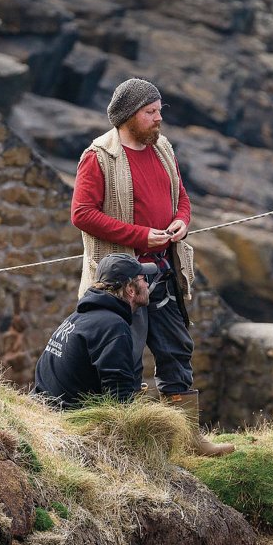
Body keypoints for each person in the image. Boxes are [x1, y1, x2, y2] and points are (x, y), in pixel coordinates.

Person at [71, 78, 233, 456]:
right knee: (122, 360)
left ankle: (190, 441)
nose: (159, 119)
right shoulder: (98, 157)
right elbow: (81, 214)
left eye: (159, 111)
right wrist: (141, 236)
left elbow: (182, 196)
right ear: (129, 116)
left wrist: (181, 221)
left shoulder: (161, 147)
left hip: (163, 273)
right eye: (151, 113)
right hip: (122, 283)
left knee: (177, 351)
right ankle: (124, 447)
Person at [34, 254, 155, 407]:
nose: (147, 284)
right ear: (130, 289)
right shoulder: (113, 327)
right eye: (143, 279)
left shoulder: (78, 317)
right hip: (67, 420)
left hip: (42, 408)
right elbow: (119, 398)